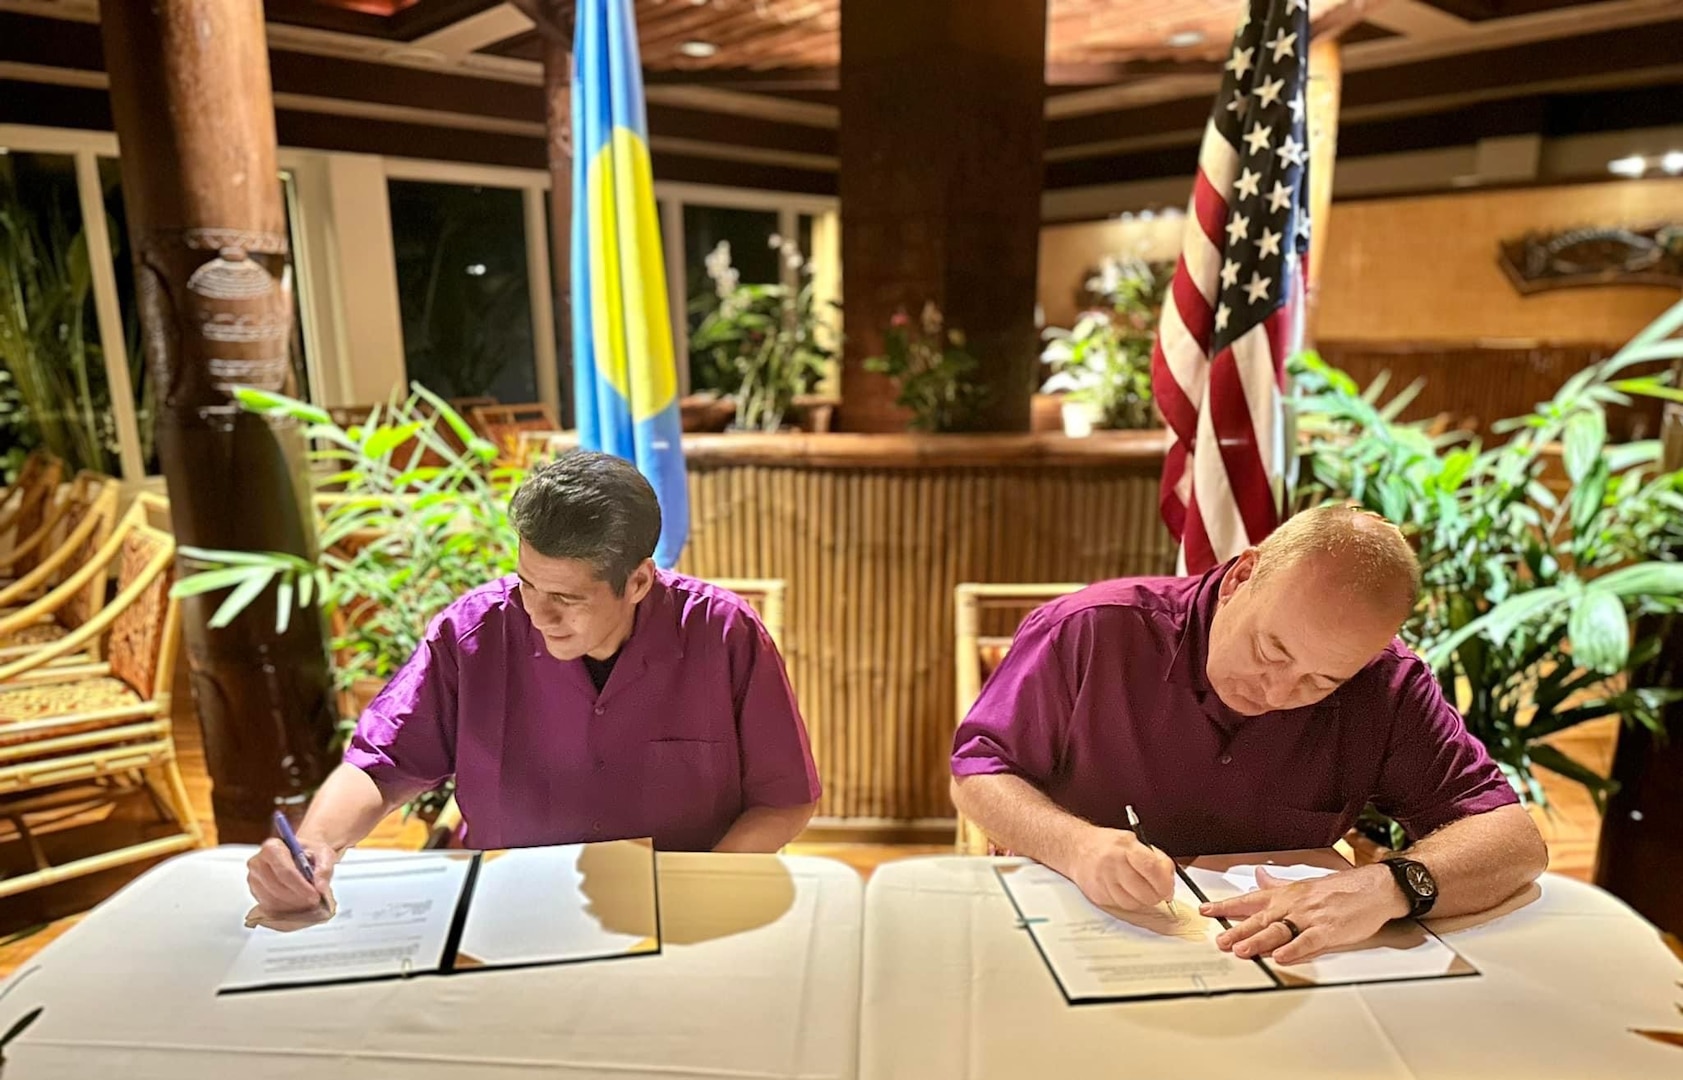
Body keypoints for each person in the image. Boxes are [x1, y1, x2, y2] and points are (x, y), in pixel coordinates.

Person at [951, 504, 1547, 965]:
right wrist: (1074, 846)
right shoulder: (1094, 631)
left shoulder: (1385, 686)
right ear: (1242, 577)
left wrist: (1392, 885)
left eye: (1321, 680)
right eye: (1272, 649)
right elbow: (979, 771)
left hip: (1281, 967)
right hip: (1080, 934)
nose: (1279, 692)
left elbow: (1514, 841)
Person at [248, 450, 821, 916]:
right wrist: (317, 845)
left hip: (683, 915)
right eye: (527, 585)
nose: (538, 615)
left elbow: (784, 800)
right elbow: (379, 764)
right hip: (509, 912)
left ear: (640, 581)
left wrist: (698, 895)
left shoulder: (723, 635)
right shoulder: (472, 634)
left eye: (567, 599)